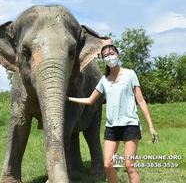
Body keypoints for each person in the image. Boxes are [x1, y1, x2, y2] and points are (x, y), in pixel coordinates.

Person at [66, 44, 158, 183]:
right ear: (103, 59)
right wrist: (67, 98)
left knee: (129, 166)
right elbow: (90, 100)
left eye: (112, 53)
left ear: (118, 54)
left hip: (130, 125)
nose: (109, 57)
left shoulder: (130, 74)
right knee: (108, 165)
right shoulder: (104, 80)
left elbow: (141, 101)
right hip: (112, 127)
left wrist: (151, 126)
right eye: (105, 56)